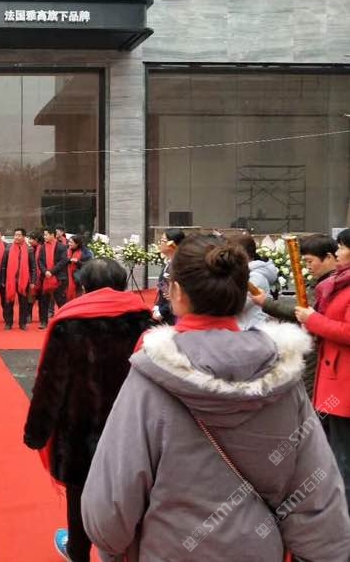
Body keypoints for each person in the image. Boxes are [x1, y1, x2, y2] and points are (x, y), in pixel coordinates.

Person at [81, 235, 350, 560]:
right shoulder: (282, 378)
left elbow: (112, 499)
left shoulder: (151, 376)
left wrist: (112, 548)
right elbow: (317, 493)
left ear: (176, 292)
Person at [24, 258, 152, 562]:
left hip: (80, 434)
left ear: (84, 287)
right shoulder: (145, 322)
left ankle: (78, 551)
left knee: (79, 499)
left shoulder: (69, 324)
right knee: (131, 498)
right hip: (131, 432)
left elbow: (51, 383)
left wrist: (36, 432)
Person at [294, 228, 350, 511]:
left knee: (343, 455)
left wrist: (313, 320)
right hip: (334, 378)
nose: (338, 252)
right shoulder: (338, 284)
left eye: (342, 247)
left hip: (344, 383)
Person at [251, 234, 338, 398]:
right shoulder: (322, 282)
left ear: (329, 257)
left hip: (322, 352)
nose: (307, 266)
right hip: (315, 349)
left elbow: (304, 310)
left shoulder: (333, 284)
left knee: (315, 397)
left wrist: (266, 302)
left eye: (310, 261)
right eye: (305, 262)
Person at [227, 233, 277, 330]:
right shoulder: (242, 272)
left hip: (253, 329)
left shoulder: (256, 277)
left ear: (243, 254)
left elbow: (236, 307)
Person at [2, 228, 37, 330]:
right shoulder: (8, 248)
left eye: (19, 235)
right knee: (9, 303)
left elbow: (33, 267)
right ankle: (8, 323)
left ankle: (23, 323)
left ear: (24, 237)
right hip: (10, 280)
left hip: (24, 281)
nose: (16, 237)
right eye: (15, 235)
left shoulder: (29, 249)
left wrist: (33, 281)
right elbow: (3, 266)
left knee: (24, 303)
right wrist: (3, 280)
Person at [37, 227, 68, 329]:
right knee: (44, 301)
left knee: (60, 301)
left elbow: (63, 261)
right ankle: (43, 322)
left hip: (58, 277)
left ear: (52, 235)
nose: (44, 236)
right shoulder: (42, 247)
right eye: (44, 235)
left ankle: (64, 322)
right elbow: (40, 261)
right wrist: (45, 271)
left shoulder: (61, 247)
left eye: (46, 234)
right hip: (46, 278)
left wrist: (51, 271)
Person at [152, 228, 185, 324]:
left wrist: (162, 312)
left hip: (174, 316)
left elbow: (175, 295)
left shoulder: (179, 265)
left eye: (163, 241)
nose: (160, 243)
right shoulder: (168, 262)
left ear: (172, 244)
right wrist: (158, 305)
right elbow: (164, 288)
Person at [65, 234, 92, 302]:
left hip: (78, 278)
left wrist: (78, 262)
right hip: (66, 277)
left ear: (77, 244)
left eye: (71, 242)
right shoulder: (66, 250)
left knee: (78, 296)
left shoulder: (85, 253)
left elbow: (88, 264)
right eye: (69, 242)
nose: (69, 244)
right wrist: (69, 260)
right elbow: (61, 260)